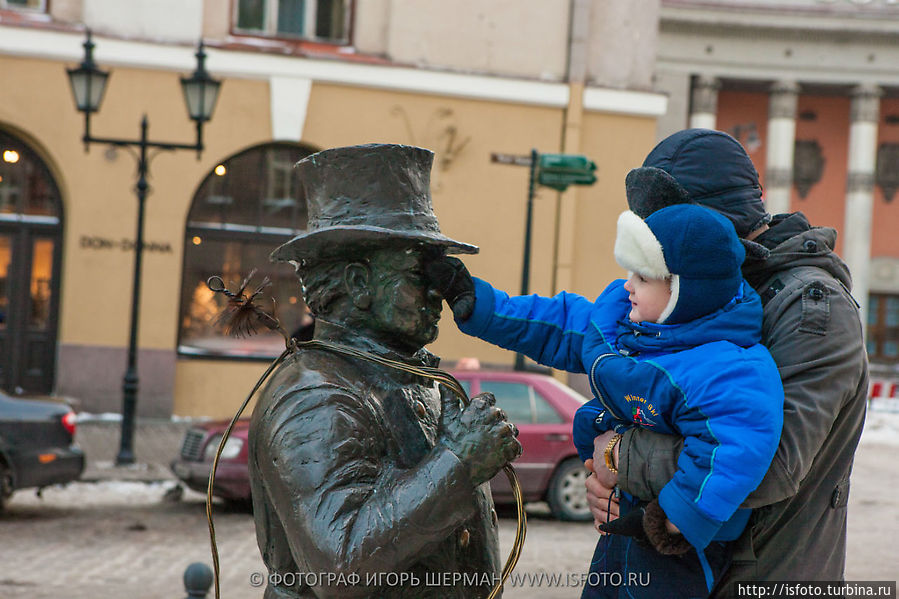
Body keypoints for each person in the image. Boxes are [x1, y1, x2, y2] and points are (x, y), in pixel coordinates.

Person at [427, 197, 784, 598]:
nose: (629, 285)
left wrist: (672, 521)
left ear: (686, 292)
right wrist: (477, 303)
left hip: (675, 545)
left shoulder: (726, 368)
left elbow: (734, 446)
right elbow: (558, 325)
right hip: (623, 521)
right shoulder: (629, 324)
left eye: (644, 278)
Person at [585, 129, 869, 597]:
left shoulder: (810, 308)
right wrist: (610, 481)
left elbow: (771, 464)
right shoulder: (709, 291)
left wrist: (621, 455)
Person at [248, 144, 522, 599]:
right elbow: (339, 566)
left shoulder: (410, 377)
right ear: (358, 284)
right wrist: (459, 463)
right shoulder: (314, 395)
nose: (439, 292)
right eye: (420, 275)